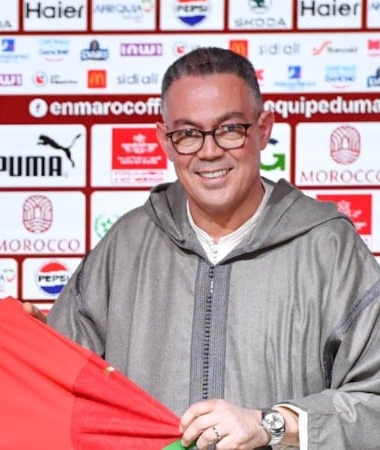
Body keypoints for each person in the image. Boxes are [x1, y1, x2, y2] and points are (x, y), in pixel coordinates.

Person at [47, 47, 380, 449]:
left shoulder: (329, 248)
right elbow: (54, 385)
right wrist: (22, 336)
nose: (209, 151)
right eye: (188, 133)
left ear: (263, 129)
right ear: (165, 141)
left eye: (229, 129)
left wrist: (274, 423)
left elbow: (373, 402)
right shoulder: (125, 246)